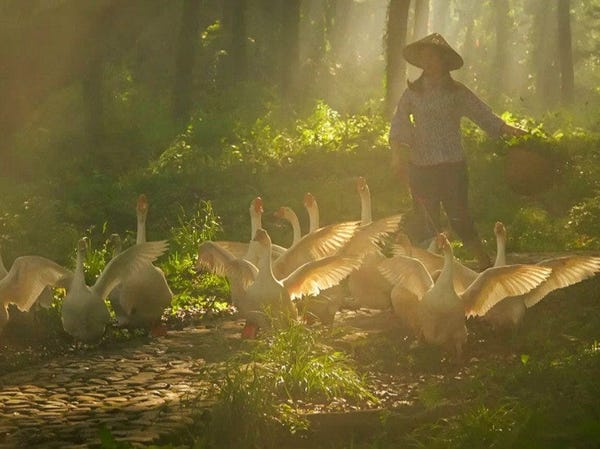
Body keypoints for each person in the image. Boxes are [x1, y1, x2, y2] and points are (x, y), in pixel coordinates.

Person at [389, 32, 527, 270]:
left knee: (459, 215)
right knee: (426, 218)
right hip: (421, 166)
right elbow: (400, 122)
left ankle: (485, 264)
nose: (428, 62)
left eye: (432, 57)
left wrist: (506, 128)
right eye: (424, 57)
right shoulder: (413, 92)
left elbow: (482, 114)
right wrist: (396, 153)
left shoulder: (457, 92)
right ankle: (429, 270)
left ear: (443, 61)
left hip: (452, 164)